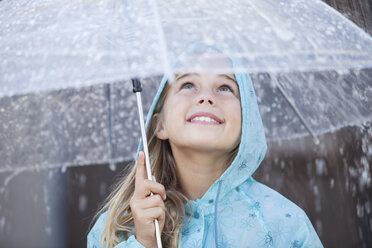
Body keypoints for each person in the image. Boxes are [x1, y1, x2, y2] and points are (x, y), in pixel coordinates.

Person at [88, 48, 323, 248]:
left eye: (225, 87)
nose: (206, 97)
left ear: (247, 124)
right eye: (188, 84)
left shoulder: (284, 224)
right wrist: (145, 242)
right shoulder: (115, 231)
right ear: (159, 125)